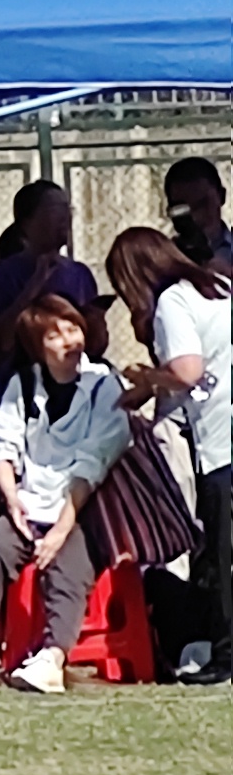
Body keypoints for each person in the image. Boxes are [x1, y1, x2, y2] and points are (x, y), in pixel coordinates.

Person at [0, 289, 132, 687]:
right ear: (38, 347)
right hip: (29, 502)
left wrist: (59, 531)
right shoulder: (23, 385)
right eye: (56, 334)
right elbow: (2, 446)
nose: (70, 340)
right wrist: (13, 503)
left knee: (69, 569)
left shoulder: (103, 385)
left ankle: (52, 658)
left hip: (81, 507)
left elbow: (93, 463)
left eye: (73, 328)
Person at [112, 226, 233, 678]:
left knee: (219, 553)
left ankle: (224, 657)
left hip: (221, 440)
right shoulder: (218, 286)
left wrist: (147, 380)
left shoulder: (172, 302)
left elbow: (186, 370)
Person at [0, 179, 101, 375]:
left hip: (74, 388)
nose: (65, 217)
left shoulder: (80, 274)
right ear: (27, 223)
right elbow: (2, 340)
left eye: (68, 209)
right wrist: (32, 288)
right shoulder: (4, 274)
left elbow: (95, 345)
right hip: (19, 389)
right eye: (55, 209)